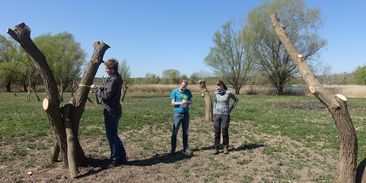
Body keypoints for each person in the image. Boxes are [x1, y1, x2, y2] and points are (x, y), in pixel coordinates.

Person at [90, 59, 127, 166]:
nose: (105, 70)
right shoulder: (115, 78)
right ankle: (122, 158)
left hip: (111, 111)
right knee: (114, 135)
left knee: (111, 137)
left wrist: (95, 90)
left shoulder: (114, 80)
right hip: (114, 110)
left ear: (112, 68)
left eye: (106, 68)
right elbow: (108, 90)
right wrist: (98, 88)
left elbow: (107, 95)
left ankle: (115, 160)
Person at [212, 80, 239, 155]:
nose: (216, 87)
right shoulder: (216, 94)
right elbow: (215, 103)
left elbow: (236, 100)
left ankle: (225, 147)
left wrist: (230, 109)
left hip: (225, 115)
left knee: (224, 130)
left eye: (218, 86)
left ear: (222, 86)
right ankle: (216, 147)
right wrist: (214, 112)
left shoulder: (228, 93)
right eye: (216, 86)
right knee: (217, 131)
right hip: (217, 115)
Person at [170, 80, 193, 155]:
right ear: (179, 84)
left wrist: (189, 102)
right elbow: (172, 103)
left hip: (186, 114)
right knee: (175, 132)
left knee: (185, 132)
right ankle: (173, 149)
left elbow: (191, 101)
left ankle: (185, 149)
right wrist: (181, 103)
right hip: (177, 114)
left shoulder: (188, 91)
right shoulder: (175, 92)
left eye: (185, 86)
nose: (184, 87)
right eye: (183, 86)